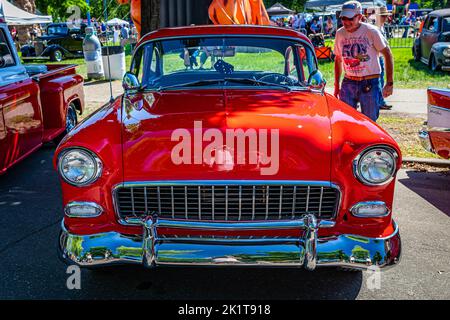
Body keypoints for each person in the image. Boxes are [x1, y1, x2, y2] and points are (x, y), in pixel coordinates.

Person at [333, 1, 394, 122]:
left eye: (350, 18)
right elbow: (338, 59)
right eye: (343, 18)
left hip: (370, 82)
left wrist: (389, 83)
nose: (346, 22)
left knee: (369, 121)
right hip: (348, 82)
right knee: (346, 119)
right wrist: (336, 85)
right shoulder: (340, 33)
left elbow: (387, 54)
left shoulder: (371, 31)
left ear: (359, 17)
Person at [376, 7, 393, 110]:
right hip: (378, 57)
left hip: (381, 57)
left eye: (386, 15)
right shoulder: (376, 27)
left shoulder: (381, 27)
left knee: (381, 80)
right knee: (379, 80)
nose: (385, 18)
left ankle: (380, 100)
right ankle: (380, 101)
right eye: (383, 16)